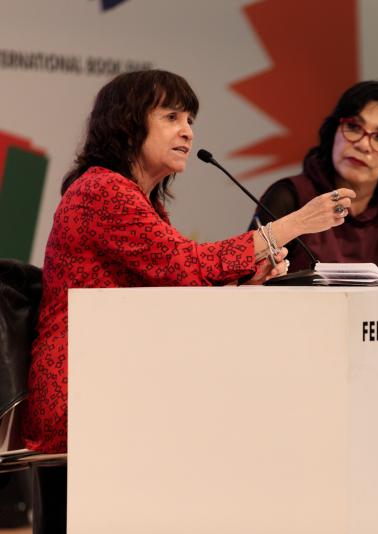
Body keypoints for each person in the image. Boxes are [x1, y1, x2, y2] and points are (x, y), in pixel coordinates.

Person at [23, 69, 355, 456]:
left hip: (120, 382)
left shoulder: (144, 201)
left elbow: (177, 290)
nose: (188, 132)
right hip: (82, 391)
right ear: (127, 124)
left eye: (190, 120)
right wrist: (294, 224)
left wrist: (245, 282)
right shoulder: (102, 190)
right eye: (171, 117)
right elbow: (187, 265)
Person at [250, 81, 378, 275]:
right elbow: (247, 276)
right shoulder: (289, 197)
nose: (363, 144)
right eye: (353, 126)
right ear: (334, 132)